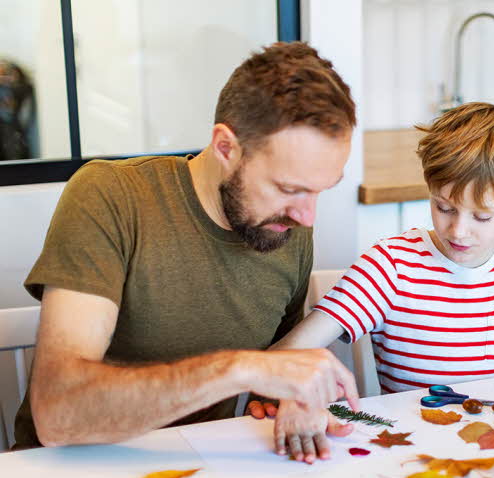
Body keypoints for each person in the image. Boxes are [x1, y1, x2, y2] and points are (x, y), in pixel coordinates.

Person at [13, 41, 360, 453]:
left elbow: (273, 377)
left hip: (196, 470)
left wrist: (293, 396)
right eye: (288, 188)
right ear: (226, 147)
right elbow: (59, 415)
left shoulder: (286, 226)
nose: (307, 216)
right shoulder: (111, 196)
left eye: (320, 191)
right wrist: (241, 368)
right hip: (62, 477)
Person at [269, 102, 494, 463]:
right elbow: (284, 356)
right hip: (412, 451)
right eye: (444, 207)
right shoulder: (391, 267)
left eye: (482, 216)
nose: (459, 230)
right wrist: (296, 396)